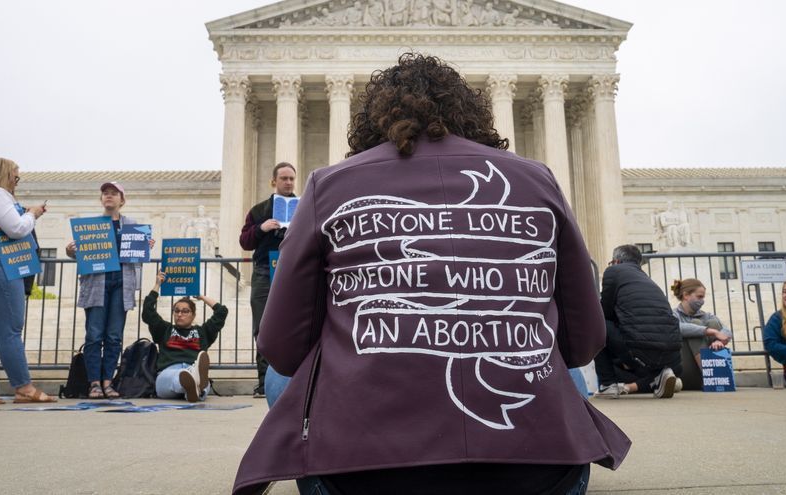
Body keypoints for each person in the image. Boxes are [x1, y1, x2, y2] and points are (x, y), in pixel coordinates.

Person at [233, 53, 630, 495]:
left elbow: (281, 349)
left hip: (361, 478)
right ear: (470, 112)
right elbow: (584, 343)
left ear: (373, 119)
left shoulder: (328, 186)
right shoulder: (538, 180)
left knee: (278, 377)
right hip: (542, 476)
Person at [66, 181, 153, 399]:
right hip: (97, 283)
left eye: (114, 193)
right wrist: (70, 251)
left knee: (114, 336)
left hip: (121, 284)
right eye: (105, 193)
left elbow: (137, 256)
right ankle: (94, 383)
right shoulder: (91, 225)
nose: (109, 196)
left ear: (122, 200)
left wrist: (145, 246)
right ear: (101, 199)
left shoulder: (131, 224)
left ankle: (108, 381)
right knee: (94, 334)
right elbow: (81, 254)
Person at [0, 157, 56, 404]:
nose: (17, 181)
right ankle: (23, 387)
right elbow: (15, 229)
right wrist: (32, 214)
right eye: (15, 175)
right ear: (3, 175)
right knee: (11, 327)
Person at [594, 244, 682, 399]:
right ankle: (660, 374)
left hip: (640, 347)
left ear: (616, 261)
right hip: (671, 353)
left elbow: (604, 311)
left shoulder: (613, 272)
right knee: (639, 349)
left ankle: (608, 385)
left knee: (596, 324)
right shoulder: (646, 279)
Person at [239, 162, 296, 399]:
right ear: (274, 181)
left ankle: (293, 380)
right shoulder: (259, 210)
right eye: (283, 178)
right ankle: (264, 382)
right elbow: (245, 242)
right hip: (264, 272)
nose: (288, 182)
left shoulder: (303, 207)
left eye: (292, 178)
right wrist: (261, 228)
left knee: (293, 325)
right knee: (262, 327)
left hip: (293, 273)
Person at [142, 271, 229, 402]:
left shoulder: (203, 332)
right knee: (176, 378)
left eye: (185, 311)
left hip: (193, 366)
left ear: (193, 315)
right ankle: (193, 385)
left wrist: (201, 296)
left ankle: (194, 386)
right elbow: (148, 311)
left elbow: (222, 311)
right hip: (168, 372)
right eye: (176, 311)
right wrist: (157, 285)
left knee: (199, 381)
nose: (180, 314)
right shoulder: (165, 329)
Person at [671, 278, 732, 390]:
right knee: (696, 325)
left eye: (703, 297)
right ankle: (709, 376)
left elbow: (727, 332)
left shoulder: (706, 315)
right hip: (684, 371)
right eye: (699, 297)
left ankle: (715, 376)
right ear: (686, 295)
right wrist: (709, 331)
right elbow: (675, 328)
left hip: (703, 376)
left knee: (713, 322)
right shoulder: (673, 314)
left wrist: (719, 341)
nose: (702, 300)